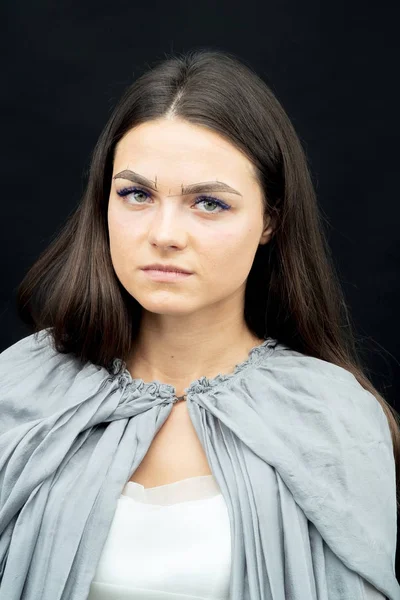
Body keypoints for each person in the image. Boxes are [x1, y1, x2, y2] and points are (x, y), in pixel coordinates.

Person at [0, 49, 399, 600]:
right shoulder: (18, 386)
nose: (164, 233)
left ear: (270, 221)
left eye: (208, 203)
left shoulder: (333, 416)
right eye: (136, 194)